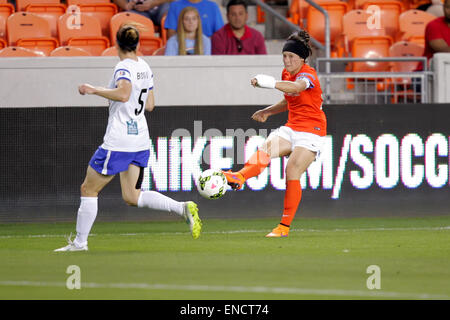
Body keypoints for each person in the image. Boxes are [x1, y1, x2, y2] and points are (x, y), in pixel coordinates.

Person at [54, 24, 202, 252]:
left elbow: (123, 94)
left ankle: (80, 243)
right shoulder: (144, 65)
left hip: (120, 139)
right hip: (140, 139)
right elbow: (150, 105)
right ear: (138, 44)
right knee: (132, 196)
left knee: (88, 189)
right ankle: (182, 208)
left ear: (116, 44)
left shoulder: (122, 67)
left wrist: (94, 90)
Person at [222, 30, 326, 238]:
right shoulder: (286, 74)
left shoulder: (308, 74)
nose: (287, 61)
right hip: (293, 126)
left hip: (312, 131)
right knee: (266, 147)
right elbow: (289, 99)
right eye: (284, 56)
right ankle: (240, 177)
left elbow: (297, 87)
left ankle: (284, 227)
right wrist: (267, 111)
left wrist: (269, 83)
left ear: (302, 58)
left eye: (291, 57)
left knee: (292, 169)